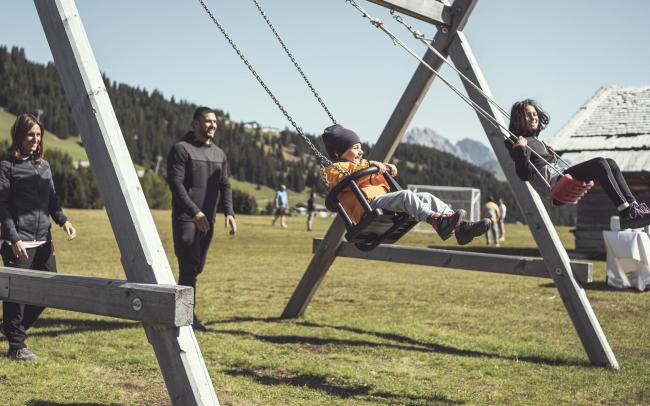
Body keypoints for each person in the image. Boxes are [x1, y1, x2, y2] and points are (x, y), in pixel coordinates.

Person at [321, 124, 492, 245]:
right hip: (367, 208)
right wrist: (372, 166)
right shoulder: (332, 169)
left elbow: (371, 176)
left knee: (426, 197)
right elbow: (345, 176)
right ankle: (437, 221)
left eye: (361, 147)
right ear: (338, 152)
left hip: (381, 201)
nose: (361, 151)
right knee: (405, 195)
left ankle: (461, 228)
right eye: (355, 147)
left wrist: (384, 169)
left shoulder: (363, 165)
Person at [0, 113, 77, 360]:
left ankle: (12, 330)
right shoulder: (7, 166)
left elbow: (52, 200)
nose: (35, 139)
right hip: (18, 241)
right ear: (19, 135)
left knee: (47, 292)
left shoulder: (43, 165)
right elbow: (2, 207)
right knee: (17, 295)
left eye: (38, 135)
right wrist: (13, 238)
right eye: (30, 134)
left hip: (44, 239)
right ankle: (17, 347)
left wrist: (63, 221)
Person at [506, 99, 650, 229]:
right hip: (555, 184)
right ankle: (626, 212)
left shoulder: (536, 141)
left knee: (610, 163)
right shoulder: (518, 142)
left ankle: (633, 206)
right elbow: (524, 174)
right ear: (518, 119)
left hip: (561, 177)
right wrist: (520, 148)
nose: (534, 117)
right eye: (528, 114)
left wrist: (550, 153)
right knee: (599, 163)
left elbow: (544, 161)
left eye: (535, 114)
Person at [167, 107, 237, 332]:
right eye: (208, 121)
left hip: (208, 221)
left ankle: (178, 310)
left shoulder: (219, 154)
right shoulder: (181, 149)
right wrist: (194, 212)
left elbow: (225, 185)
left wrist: (229, 212)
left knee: (197, 267)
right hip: (187, 219)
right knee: (188, 266)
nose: (213, 125)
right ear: (195, 123)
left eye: (215, 122)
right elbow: (176, 184)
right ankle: (187, 317)